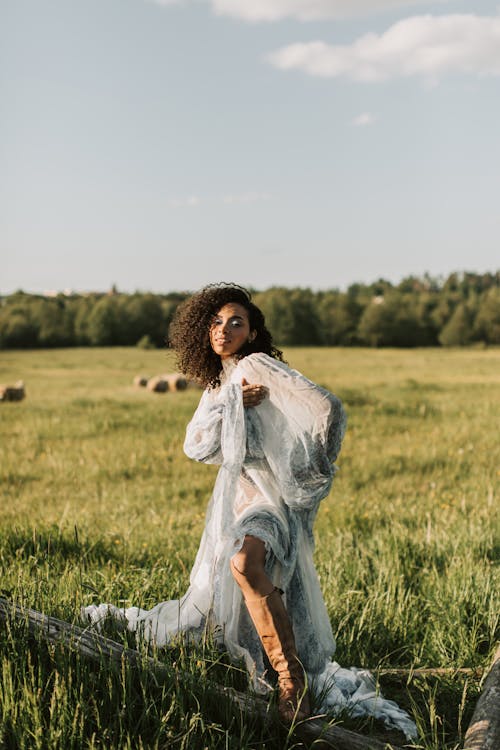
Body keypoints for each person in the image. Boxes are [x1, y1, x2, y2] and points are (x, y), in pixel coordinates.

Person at [83, 284, 416, 738]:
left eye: (236, 322)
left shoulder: (258, 366)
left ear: (253, 331)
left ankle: (289, 682)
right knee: (227, 587)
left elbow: (329, 410)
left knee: (244, 563)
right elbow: (196, 445)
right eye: (216, 322)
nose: (224, 330)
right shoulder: (221, 384)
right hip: (234, 501)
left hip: (271, 500)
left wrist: (310, 477)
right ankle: (277, 671)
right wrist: (232, 403)